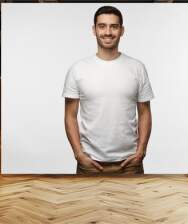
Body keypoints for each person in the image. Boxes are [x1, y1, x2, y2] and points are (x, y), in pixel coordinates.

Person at [62, 6, 154, 175]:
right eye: (102, 26)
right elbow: (70, 115)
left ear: (122, 30)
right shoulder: (78, 69)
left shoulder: (137, 68)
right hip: (89, 164)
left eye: (114, 26)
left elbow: (145, 112)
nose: (108, 32)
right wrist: (78, 154)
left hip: (130, 164)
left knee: (133, 202)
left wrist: (141, 151)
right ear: (94, 30)